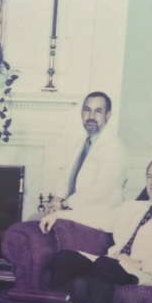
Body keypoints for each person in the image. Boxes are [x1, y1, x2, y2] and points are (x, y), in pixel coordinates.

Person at [40, 158, 152, 303]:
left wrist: (140, 264)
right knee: (64, 258)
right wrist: (58, 215)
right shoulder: (130, 207)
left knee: (105, 265)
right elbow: (96, 218)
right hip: (113, 263)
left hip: (144, 273)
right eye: (150, 176)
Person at [43, 91, 128, 229]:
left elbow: (99, 189)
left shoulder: (114, 147)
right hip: (75, 214)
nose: (91, 117)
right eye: (87, 110)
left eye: (98, 111)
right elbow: (66, 178)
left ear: (108, 115)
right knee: (32, 225)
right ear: (81, 113)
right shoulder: (80, 143)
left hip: (98, 222)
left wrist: (64, 205)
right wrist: (56, 200)